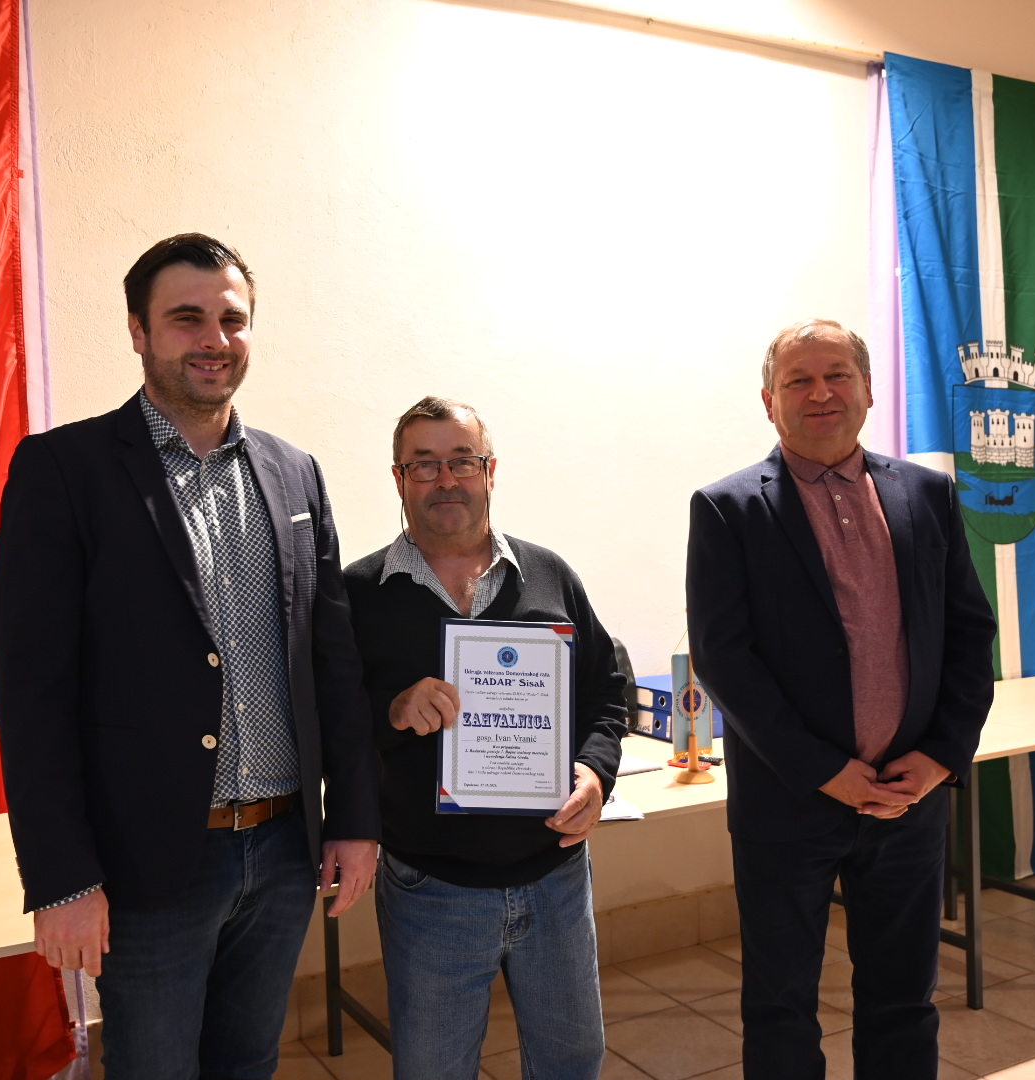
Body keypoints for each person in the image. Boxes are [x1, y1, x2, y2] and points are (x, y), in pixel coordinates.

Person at [0, 233, 379, 1079]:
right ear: (138, 331)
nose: (214, 339)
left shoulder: (295, 473)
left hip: (283, 851)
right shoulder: (65, 469)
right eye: (186, 318)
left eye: (232, 320)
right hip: (150, 862)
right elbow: (31, 695)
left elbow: (333, 666)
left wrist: (353, 820)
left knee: (248, 1064)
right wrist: (61, 879)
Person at [686, 319, 998, 1079]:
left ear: (867, 389)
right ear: (770, 401)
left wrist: (940, 758)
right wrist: (824, 770)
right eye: (798, 380)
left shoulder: (927, 494)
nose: (819, 392)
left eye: (837, 375)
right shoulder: (728, 508)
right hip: (789, 803)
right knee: (781, 1006)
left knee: (904, 999)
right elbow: (725, 659)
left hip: (908, 799)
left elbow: (969, 635)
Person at [342, 396, 626, 1080]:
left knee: (571, 1063)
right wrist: (391, 709)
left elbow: (605, 691)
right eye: (424, 464)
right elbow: (329, 722)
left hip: (555, 875)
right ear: (399, 478)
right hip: (430, 888)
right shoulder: (358, 593)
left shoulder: (550, 575)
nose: (446, 479)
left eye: (462, 461)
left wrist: (595, 771)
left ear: (490, 471)